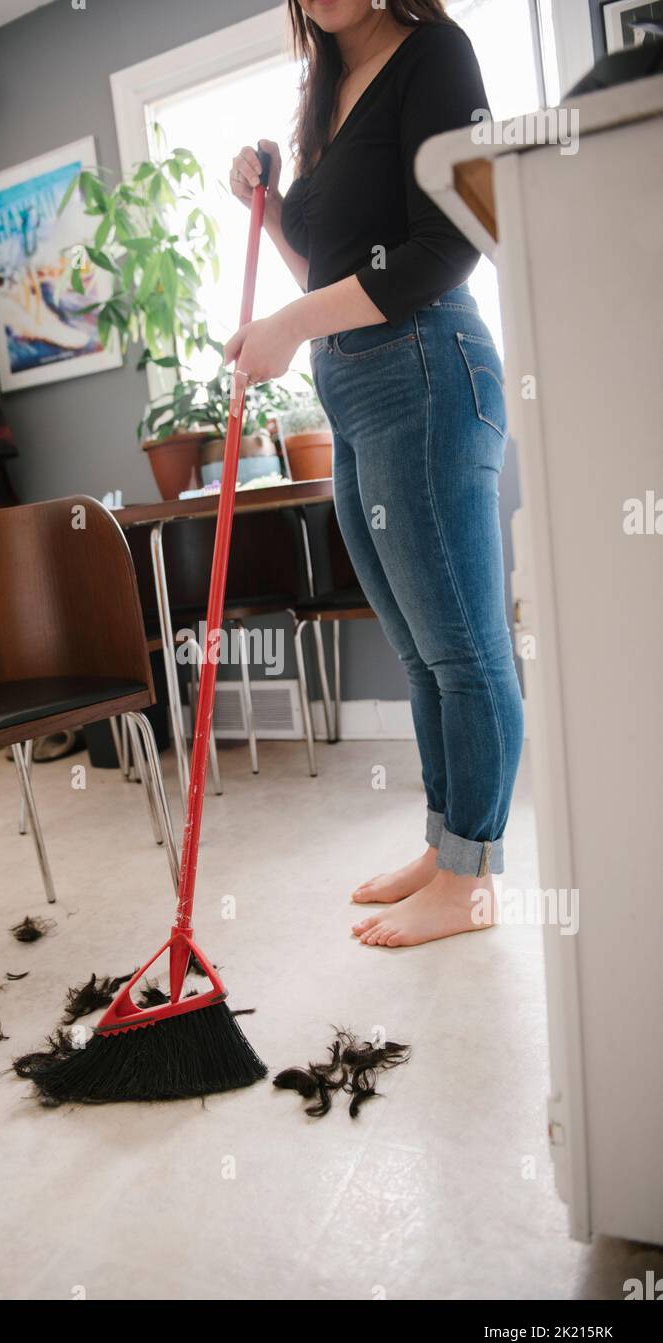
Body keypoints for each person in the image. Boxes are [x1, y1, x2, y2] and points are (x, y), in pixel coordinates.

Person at [226, 0, 523, 947]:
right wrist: (266, 211)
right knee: (419, 647)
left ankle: (473, 876)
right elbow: (328, 264)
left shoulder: (435, 54)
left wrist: (287, 327)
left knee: (464, 648)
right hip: (351, 386)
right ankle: (445, 850)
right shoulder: (324, 93)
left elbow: (452, 241)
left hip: (427, 368)